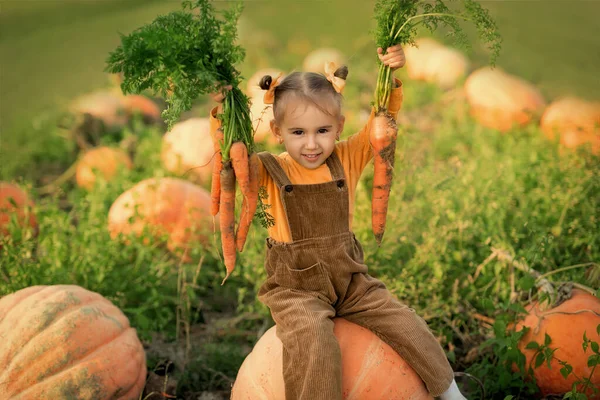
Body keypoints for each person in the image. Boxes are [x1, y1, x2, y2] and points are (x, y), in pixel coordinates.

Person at [209, 45, 467, 400]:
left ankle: (450, 392)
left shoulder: (347, 155)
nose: (312, 144)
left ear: (339, 127)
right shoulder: (266, 168)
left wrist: (390, 77)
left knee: (404, 322)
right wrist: (224, 109)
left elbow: (383, 123)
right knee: (315, 342)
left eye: (323, 131)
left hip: (349, 280)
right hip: (296, 289)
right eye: (298, 132)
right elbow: (230, 151)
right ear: (277, 130)